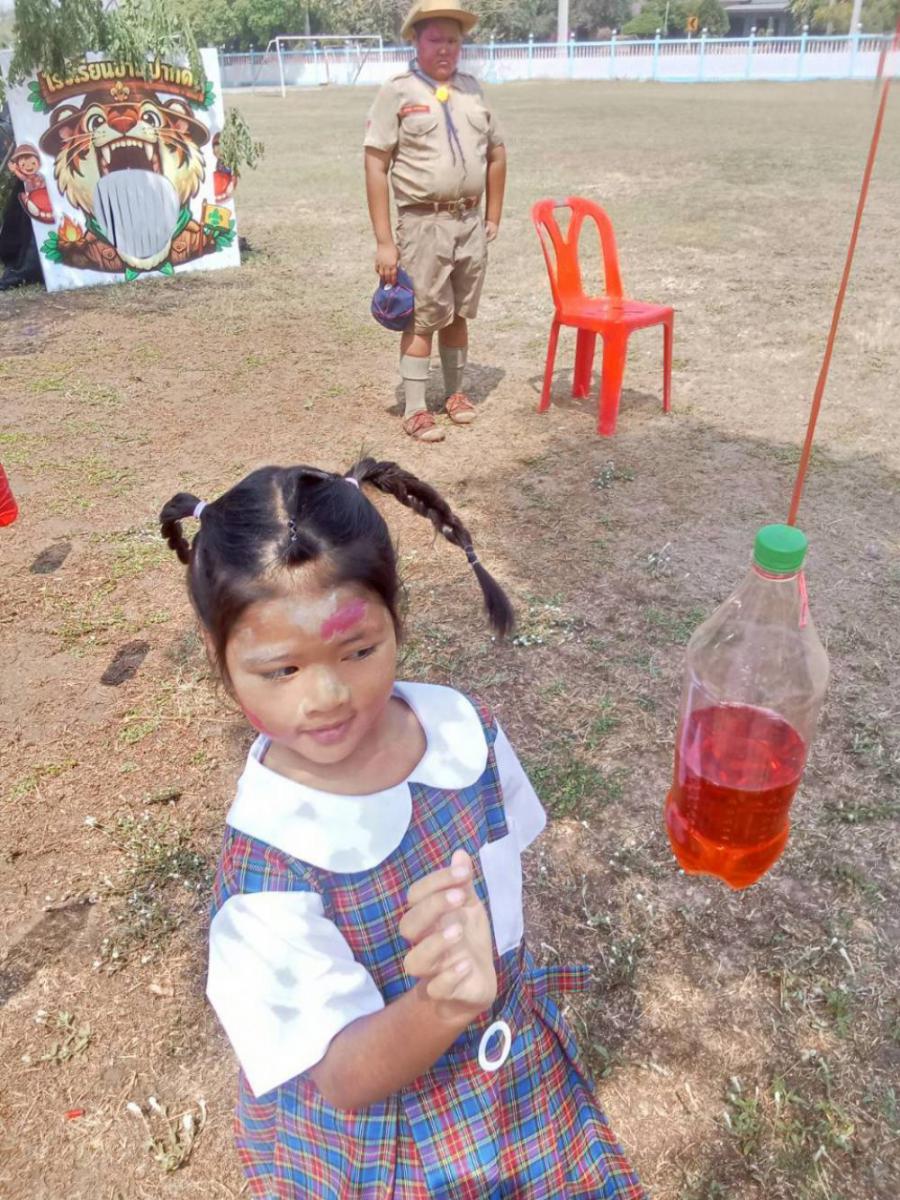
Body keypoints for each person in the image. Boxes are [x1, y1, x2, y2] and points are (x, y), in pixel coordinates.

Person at [159, 459, 645, 1198]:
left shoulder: (465, 732)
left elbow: (507, 882)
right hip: (389, 1150)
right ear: (219, 657)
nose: (327, 695)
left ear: (396, 617)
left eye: (358, 651)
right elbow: (343, 1079)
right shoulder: (268, 871)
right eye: (281, 670)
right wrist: (441, 1005)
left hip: (513, 1087)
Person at [364, 2, 507, 443]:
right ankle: (415, 409)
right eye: (435, 39)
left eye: (453, 40)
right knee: (422, 317)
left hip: (468, 222)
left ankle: (455, 394)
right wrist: (384, 242)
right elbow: (375, 164)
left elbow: (497, 152)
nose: (445, 48)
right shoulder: (397, 92)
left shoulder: (473, 91)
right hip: (423, 224)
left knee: (459, 312)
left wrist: (493, 214)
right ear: (416, 40)